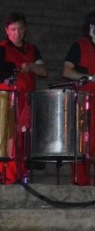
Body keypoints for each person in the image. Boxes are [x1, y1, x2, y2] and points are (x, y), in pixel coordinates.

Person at [61, 10, 95, 186]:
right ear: (92, 26)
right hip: (83, 104)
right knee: (82, 148)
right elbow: (66, 71)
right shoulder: (79, 46)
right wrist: (91, 78)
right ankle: (80, 188)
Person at [0, 12, 47, 184]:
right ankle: (9, 179)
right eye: (13, 29)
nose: (17, 33)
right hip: (7, 102)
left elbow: (44, 71)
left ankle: (22, 177)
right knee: (9, 141)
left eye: (20, 29)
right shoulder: (2, 49)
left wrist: (32, 66)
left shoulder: (32, 50)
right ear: (7, 31)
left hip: (27, 102)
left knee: (25, 141)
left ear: (25, 30)